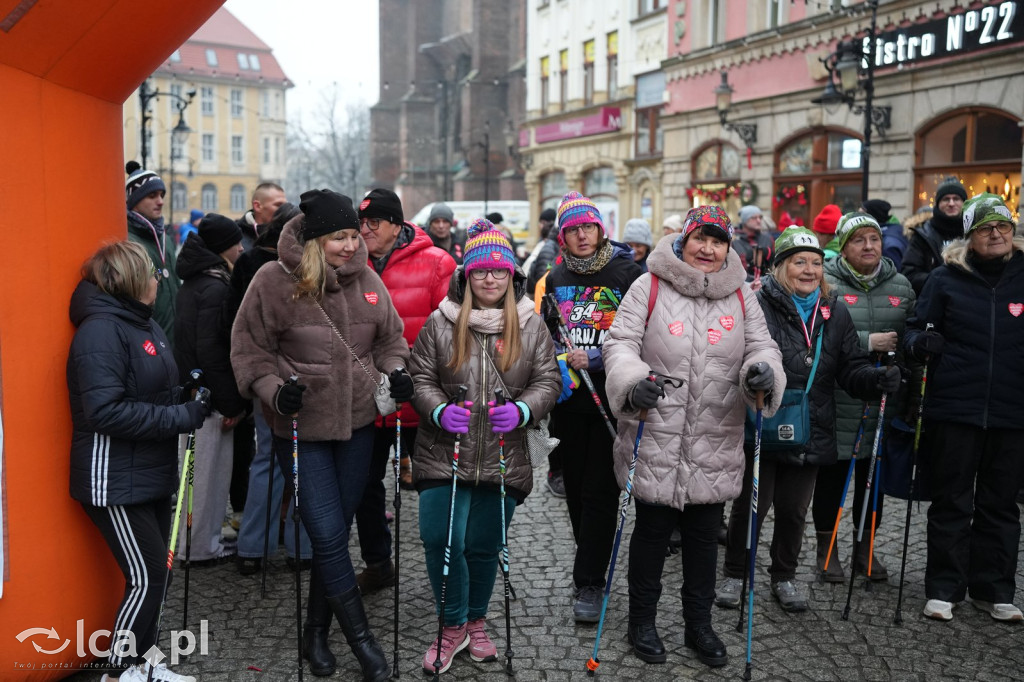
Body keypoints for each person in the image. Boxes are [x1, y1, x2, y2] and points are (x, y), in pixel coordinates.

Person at [231, 189, 410, 681]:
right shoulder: (273, 280)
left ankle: (314, 632)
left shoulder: (369, 280)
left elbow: (392, 339)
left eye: (355, 235)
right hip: (300, 430)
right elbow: (248, 351)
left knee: (333, 535)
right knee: (329, 535)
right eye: (340, 238)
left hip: (358, 429)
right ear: (314, 241)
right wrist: (271, 390)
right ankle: (364, 645)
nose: (352, 246)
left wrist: (397, 371)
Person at [602, 205, 784, 668]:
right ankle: (641, 621)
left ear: (729, 247)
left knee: (705, 539)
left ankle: (698, 626)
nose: (708, 248)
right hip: (655, 429)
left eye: (718, 240)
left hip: (715, 434)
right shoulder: (651, 285)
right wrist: (631, 379)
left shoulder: (743, 296)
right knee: (651, 534)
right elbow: (620, 342)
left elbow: (762, 347)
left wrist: (762, 374)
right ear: (684, 241)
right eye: (700, 238)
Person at [717, 226, 898, 613]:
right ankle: (735, 573)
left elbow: (850, 368)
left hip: (811, 425)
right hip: (762, 421)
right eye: (800, 262)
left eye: (816, 263)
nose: (809, 270)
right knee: (752, 504)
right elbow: (736, 356)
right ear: (781, 266)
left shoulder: (834, 312)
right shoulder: (756, 304)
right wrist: (755, 375)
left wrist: (875, 380)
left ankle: (784, 575)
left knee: (794, 510)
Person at [408, 218, 560, 674]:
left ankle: (476, 620)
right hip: (442, 452)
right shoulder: (441, 322)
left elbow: (548, 380)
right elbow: (419, 377)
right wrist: (436, 410)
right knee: (441, 539)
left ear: (513, 276)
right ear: (466, 277)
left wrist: (524, 410)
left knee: (482, 544)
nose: (490, 279)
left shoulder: (531, 326)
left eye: (499, 272)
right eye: (480, 272)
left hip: (502, 455)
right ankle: (450, 624)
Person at [68, 240, 210, 682]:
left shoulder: (142, 325)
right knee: (147, 576)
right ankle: (119, 671)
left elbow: (148, 392)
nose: (158, 279)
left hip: (148, 471)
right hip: (112, 476)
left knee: (158, 574)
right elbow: (105, 411)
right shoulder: (101, 331)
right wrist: (179, 415)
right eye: (151, 272)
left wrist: (185, 396)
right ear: (130, 280)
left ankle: (143, 662)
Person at [904, 193, 1024, 622]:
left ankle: (993, 590)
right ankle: (944, 588)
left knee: (1001, 503)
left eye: (1003, 227)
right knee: (952, 500)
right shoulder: (945, 278)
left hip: (1013, 410)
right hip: (955, 407)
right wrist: (919, 344)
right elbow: (914, 331)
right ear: (970, 236)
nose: (996, 235)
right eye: (986, 228)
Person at [543, 190, 643, 622]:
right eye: (573, 229)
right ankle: (590, 565)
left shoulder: (627, 272)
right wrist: (552, 358)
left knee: (601, 491)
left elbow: (642, 335)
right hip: (569, 401)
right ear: (562, 236)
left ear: (600, 229)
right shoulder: (556, 275)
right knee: (575, 491)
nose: (582, 235)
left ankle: (590, 581)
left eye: (588, 227)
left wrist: (599, 357)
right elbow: (545, 330)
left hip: (611, 397)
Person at [354, 188, 457, 595]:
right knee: (364, 483)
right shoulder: (350, 264)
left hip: (422, 398)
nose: (364, 231)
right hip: (370, 399)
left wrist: (413, 370)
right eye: (360, 222)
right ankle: (378, 562)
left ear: (397, 225)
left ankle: (447, 564)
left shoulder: (437, 263)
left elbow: (450, 333)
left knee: (437, 484)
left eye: (373, 222)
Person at [813, 212, 916, 583]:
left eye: (874, 238)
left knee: (871, 481)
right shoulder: (825, 282)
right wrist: (866, 343)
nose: (869, 246)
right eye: (858, 240)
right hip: (837, 398)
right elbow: (815, 337)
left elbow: (910, 342)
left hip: (882, 401)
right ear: (843, 245)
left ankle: (865, 549)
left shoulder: (901, 286)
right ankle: (828, 553)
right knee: (832, 479)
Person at [229, 203, 313, 575]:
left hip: (276, 376)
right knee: (289, 463)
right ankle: (293, 547)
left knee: (274, 462)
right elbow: (240, 328)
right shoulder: (262, 269)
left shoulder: (252, 262)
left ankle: (260, 546)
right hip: (277, 379)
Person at [173, 214, 247, 563]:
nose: (241, 247)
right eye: (235, 242)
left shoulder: (196, 281)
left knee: (199, 476)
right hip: (210, 399)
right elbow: (213, 351)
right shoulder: (215, 287)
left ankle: (201, 541)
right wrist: (231, 403)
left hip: (196, 393)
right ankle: (200, 547)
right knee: (207, 478)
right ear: (222, 249)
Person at [125, 161, 179, 344]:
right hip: (148, 342)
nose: (161, 201)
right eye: (152, 195)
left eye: (162, 195)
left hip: (175, 341)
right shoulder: (128, 241)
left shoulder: (166, 238)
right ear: (135, 201)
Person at [901, 177, 967, 294]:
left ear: (964, 202)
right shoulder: (923, 235)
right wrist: (942, 282)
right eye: (946, 199)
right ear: (938, 204)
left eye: (956, 199)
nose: (951, 203)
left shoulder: (973, 232)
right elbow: (909, 274)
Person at [237, 182, 287, 252]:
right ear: (257, 206)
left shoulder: (288, 234)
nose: (284, 209)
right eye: (278, 205)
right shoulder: (235, 238)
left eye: (285, 205)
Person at [731, 205, 774, 282]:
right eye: (754, 218)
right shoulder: (733, 241)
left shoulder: (768, 239)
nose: (758, 220)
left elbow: (775, 266)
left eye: (760, 217)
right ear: (744, 220)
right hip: (742, 285)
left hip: (766, 286)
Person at [862, 199, 908, 270]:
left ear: (872, 216)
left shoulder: (888, 243)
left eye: (863, 215)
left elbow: (892, 273)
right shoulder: (895, 230)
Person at [524, 207, 559, 296]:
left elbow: (545, 270)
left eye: (542, 222)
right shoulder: (547, 244)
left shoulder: (548, 245)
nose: (540, 225)